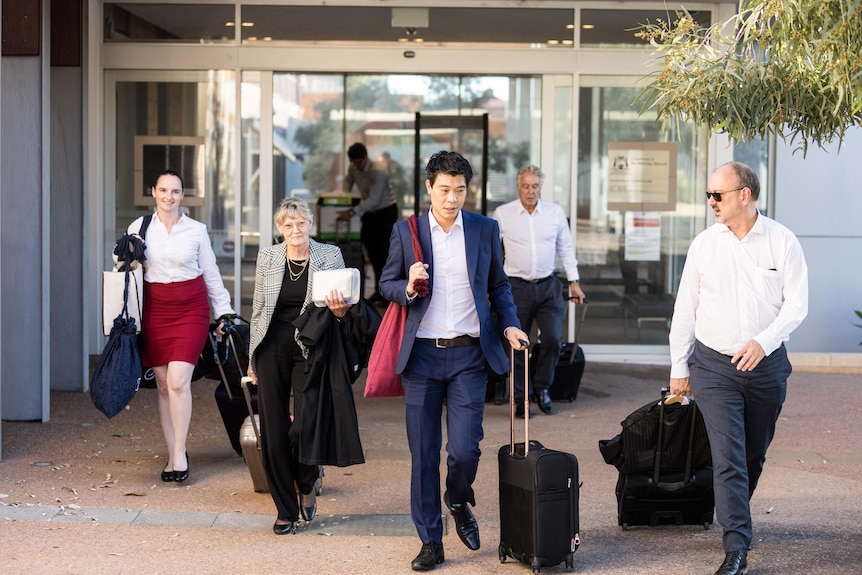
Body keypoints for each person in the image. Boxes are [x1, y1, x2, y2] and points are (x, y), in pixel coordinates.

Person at [379, 151, 528, 571]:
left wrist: (509, 325)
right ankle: (430, 540)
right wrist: (406, 288)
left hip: (469, 356)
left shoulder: (484, 229)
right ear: (429, 188)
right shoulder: (406, 233)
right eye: (444, 189)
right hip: (422, 358)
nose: (451, 198)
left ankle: (458, 498)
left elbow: (499, 286)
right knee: (423, 455)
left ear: (468, 189)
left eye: (459, 190)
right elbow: (385, 282)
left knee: (464, 450)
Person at [668, 161, 808, 575]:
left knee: (753, 455)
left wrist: (764, 343)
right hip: (713, 366)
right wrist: (679, 365)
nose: (710, 202)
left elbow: (797, 305)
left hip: (767, 367)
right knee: (728, 457)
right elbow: (685, 309)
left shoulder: (782, 242)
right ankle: (736, 548)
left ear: (744, 195)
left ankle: (735, 516)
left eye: (717, 195)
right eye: (709, 195)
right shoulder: (704, 245)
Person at [247, 197, 377, 536]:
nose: (295, 231)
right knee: (274, 431)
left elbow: (345, 303)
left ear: (310, 224)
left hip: (312, 346)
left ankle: (306, 482)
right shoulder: (268, 257)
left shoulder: (329, 255)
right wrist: (251, 360)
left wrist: (340, 310)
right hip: (272, 346)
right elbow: (259, 311)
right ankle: (284, 509)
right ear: (279, 228)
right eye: (288, 225)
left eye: (301, 223)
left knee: (307, 425)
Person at [126, 169, 235, 484]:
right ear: (154, 192)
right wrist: (130, 252)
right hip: (156, 309)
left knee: (177, 381)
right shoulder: (140, 227)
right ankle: (172, 451)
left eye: (175, 191)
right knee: (162, 384)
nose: (168, 196)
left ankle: (180, 453)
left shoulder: (196, 230)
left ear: (182, 195)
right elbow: (124, 266)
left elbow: (210, 272)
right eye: (163, 190)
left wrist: (224, 311)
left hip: (191, 308)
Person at [492, 165, 587, 418]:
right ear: (518, 187)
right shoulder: (503, 214)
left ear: (540, 188)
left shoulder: (555, 214)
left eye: (535, 186)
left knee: (554, 339)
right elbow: (490, 252)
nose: (530, 191)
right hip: (515, 287)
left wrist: (574, 281)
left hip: (548, 286)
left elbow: (566, 249)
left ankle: (543, 388)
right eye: (526, 186)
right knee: (518, 344)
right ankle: (521, 397)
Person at [337, 142, 399, 303]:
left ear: (365, 158)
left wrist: (352, 211)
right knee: (371, 251)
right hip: (369, 212)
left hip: (385, 211)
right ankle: (380, 290)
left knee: (383, 252)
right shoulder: (353, 168)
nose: (356, 166)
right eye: (354, 163)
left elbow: (374, 199)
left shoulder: (377, 171)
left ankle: (387, 293)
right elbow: (347, 181)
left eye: (359, 162)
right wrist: (346, 197)